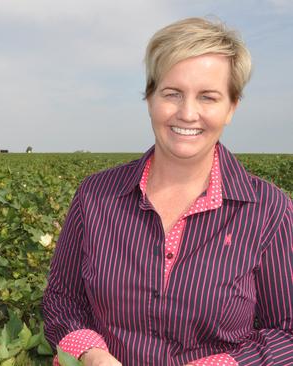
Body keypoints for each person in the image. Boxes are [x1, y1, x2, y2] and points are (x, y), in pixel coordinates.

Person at [42, 17, 293, 366]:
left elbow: (286, 332)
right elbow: (61, 299)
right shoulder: (95, 196)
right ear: (149, 98)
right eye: (172, 93)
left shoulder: (269, 209)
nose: (188, 113)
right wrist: (91, 352)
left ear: (231, 107)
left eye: (208, 97)